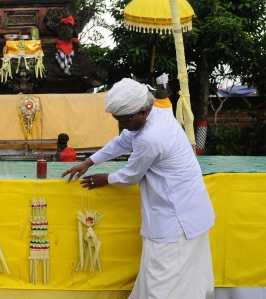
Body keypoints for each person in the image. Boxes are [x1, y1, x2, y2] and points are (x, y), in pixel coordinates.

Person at [61, 78, 215, 299]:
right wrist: (90, 161)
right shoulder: (154, 116)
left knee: (165, 280)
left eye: (124, 121)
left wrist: (107, 178)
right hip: (179, 209)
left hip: (178, 218)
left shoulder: (152, 137)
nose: (123, 126)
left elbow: (132, 174)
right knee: (162, 274)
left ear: (142, 112)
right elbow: (124, 141)